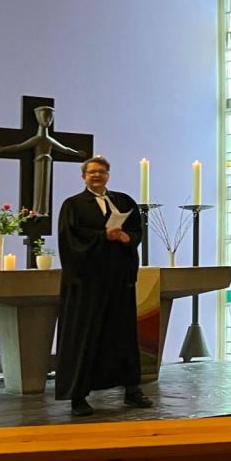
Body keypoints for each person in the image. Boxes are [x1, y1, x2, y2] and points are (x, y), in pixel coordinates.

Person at [55, 156, 152, 416]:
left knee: (123, 336)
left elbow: (137, 231)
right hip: (87, 283)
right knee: (85, 337)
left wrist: (126, 237)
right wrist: (102, 236)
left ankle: (132, 390)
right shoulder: (73, 205)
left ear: (108, 175)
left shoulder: (123, 201)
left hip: (118, 281)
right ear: (84, 177)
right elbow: (69, 241)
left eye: (101, 172)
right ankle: (78, 397)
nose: (96, 176)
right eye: (91, 172)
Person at [0, 106, 87, 216]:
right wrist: (3, 149)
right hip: (39, 164)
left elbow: (65, 149)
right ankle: (37, 210)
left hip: (47, 164)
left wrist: (77, 153)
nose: (48, 120)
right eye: (45, 117)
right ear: (38, 118)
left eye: (50, 118)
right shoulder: (37, 139)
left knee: (44, 189)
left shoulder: (50, 140)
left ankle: (42, 211)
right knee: (39, 188)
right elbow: (19, 146)